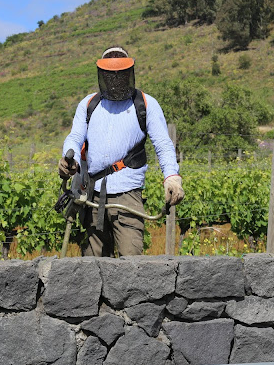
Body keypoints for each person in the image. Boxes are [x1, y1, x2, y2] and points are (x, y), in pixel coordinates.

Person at [59, 46, 184, 257]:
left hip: (128, 196)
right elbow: (75, 136)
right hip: (92, 194)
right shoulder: (89, 104)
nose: (115, 80)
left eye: (120, 74)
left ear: (129, 74)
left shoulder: (145, 104)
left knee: (131, 264)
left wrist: (172, 178)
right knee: (92, 267)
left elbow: (163, 144)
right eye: (111, 75)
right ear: (103, 75)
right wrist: (68, 156)